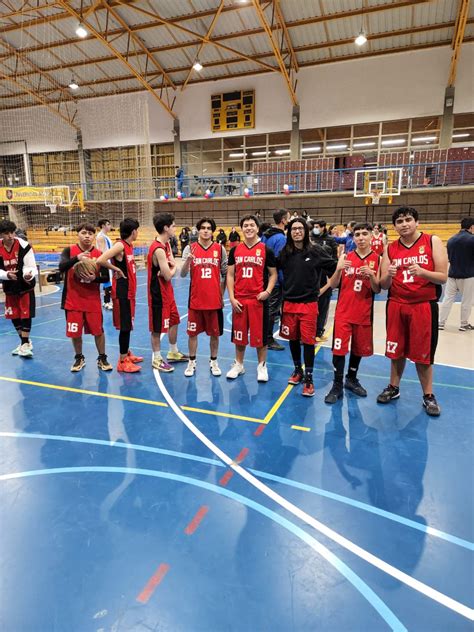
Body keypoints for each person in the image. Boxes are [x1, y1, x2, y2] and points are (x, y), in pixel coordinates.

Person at [377, 207, 448, 416]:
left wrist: (423, 271)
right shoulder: (390, 249)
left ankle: (428, 395)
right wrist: (388, 275)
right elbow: (382, 284)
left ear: (417, 222)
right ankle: (394, 387)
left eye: (408, 220)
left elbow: (443, 277)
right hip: (397, 305)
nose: (404, 224)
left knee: (423, 355)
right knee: (395, 350)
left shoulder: (431, 241)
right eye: (399, 221)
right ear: (395, 226)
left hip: (423, 306)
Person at [278, 218, 336, 397]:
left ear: (305, 231)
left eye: (300, 228)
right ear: (290, 232)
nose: (296, 232)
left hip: (309, 304)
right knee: (293, 340)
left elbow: (335, 268)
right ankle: (297, 370)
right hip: (289, 304)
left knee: (308, 342)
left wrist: (324, 289)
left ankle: (309, 378)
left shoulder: (316, 250)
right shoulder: (285, 252)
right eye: (293, 229)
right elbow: (272, 269)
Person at [323, 223, 381, 404]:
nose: (361, 237)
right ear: (353, 237)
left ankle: (351, 378)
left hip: (363, 312)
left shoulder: (377, 259)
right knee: (339, 350)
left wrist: (371, 275)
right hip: (343, 312)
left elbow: (377, 289)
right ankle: (337, 384)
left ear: (372, 236)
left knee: (358, 348)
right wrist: (339, 268)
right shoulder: (345, 257)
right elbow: (332, 285)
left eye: (365, 234)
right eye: (357, 234)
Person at [226, 214, 278, 382]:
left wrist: (268, 291)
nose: (248, 228)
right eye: (245, 225)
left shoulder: (265, 250)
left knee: (260, 337)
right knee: (239, 336)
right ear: (242, 229)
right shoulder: (234, 250)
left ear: (257, 228)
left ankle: (261, 366)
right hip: (240, 300)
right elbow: (230, 275)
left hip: (258, 300)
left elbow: (273, 274)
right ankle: (239, 365)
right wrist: (232, 298)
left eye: (251, 225)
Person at [59, 223, 113, 372]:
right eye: (84, 233)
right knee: (75, 332)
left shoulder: (99, 253)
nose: (87, 236)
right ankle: (79, 357)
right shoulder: (69, 251)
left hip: (92, 300)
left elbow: (104, 277)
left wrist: (92, 279)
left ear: (94, 236)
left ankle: (102, 357)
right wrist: (77, 258)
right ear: (78, 234)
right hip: (72, 300)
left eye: (90, 233)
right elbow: (61, 267)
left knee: (98, 331)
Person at [180, 217, 227, 377]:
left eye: (209, 228)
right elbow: (183, 273)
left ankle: (213, 361)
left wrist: (222, 295)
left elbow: (225, 274)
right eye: (203, 228)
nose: (206, 230)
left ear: (212, 231)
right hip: (195, 300)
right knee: (192, 334)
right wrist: (187, 261)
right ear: (198, 230)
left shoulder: (220, 249)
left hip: (214, 301)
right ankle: (192, 361)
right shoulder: (190, 248)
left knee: (215, 334)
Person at [96, 218, 143, 373]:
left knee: (128, 325)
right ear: (133, 231)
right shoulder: (120, 245)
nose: (137, 232)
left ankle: (126, 353)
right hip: (122, 292)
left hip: (129, 292)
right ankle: (122, 361)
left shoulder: (129, 246)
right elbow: (101, 259)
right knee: (125, 327)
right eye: (137, 229)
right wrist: (116, 269)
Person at [148, 212, 188, 372]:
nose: (175, 228)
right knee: (157, 327)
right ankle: (157, 358)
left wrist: (171, 267)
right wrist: (172, 268)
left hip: (168, 292)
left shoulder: (167, 244)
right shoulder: (157, 249)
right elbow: (169, 274)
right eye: (173, 225)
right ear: (166, 228)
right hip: (158, 293)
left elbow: (170, 267)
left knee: (174, 320)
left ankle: (173, 352)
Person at [0, 219, 37, 357]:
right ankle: (24, 343)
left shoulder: (24, 246)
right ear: (1, 235)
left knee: (25, 314)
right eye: (6, 233)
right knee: (13, 315)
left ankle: (25, 343)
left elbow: (31, 266)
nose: (10, 236)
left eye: (12, 232)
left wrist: (28, 275)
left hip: (25, 286)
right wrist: (6, 275)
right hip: (9, 286)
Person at [261, 208, 290, 350]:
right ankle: (268, 339)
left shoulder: (266, 235)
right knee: (272, 310)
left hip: (264, 277)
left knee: (269, 309)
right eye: (288, 218)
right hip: (275, 280)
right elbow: (280, 262)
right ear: (283, 220)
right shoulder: (281, 238)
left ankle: (264, 336)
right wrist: (285, 282)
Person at [438, 217, 474, 331]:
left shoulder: (451, 239)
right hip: (468, 275)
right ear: (471, 227)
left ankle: (441, 323)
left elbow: (449, 256)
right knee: (467, 300)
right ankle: (463, 324)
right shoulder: (472, 239)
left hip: (452, 274)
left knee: (447, 298)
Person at [310, 219, 338, 342]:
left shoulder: (330, 240)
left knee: (322, 308)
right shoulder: (312, 238)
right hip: (318, 282)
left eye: (317, 226)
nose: (315, 229)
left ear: (323, 227)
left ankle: (318, 331)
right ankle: (316, 332)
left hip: (325, 278)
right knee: (319, 308)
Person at [96, 218, 113, 310]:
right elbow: (102, 251)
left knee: (107, 281)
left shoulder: (105, 236)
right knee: (108, 282)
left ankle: (106, 301)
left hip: (108, 260)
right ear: (103, 226)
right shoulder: (101, 236)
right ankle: (107, 302)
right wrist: (105, 262)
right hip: (105, 261)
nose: (110, 226)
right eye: (108, 224)